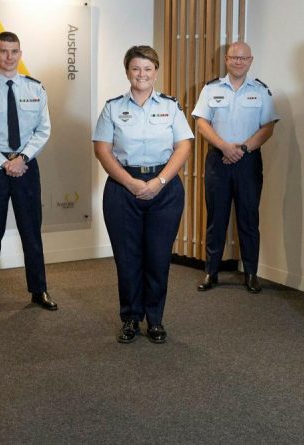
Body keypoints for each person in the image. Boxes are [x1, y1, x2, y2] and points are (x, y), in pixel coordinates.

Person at [93, 45, 193, 344]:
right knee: (127, 258)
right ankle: (131, 318)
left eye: (148, 69)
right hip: (123, 188)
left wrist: (160, 181)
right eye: (136, 68)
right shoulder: (112, 107)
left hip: (165, 187)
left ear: (156, 72)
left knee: (158, 256)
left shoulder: (170, 106)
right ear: (127, 72)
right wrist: (131, 183)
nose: (142, 74)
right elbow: (102, 150)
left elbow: (184, 146)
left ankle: (156, 319)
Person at [0, 31, 57, 314]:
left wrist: (22, 158)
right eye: (3, 51)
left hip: (27, 167)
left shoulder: (36, 89)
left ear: (20, 53)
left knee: (31, 231)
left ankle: (38, 290)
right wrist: (5, 162)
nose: (9, 56)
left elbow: (43, 130)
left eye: (14, 51)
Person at [192, 41, 279, 293]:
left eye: (243, 58)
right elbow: (202, 123)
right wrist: (225, 147)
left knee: (249, 219)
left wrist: (241, 149)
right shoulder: (210, 89)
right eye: (233, 58)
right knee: (216, 219)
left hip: (248, 162)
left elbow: (268, 127)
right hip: (218, 161)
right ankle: (211, 272)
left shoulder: (261, 90)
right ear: (226, 60)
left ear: (250, 60)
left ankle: (251, 272)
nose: (238, 62)